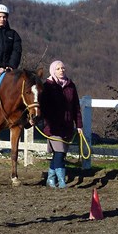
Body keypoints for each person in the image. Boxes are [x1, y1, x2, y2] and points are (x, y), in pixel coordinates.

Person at [39, 60, 83, 189]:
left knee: (61, 154)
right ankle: (61, 180)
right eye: (58, 69)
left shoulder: (71, 86)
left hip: (67, 126)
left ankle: (51, 178)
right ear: (53, 70)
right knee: (59, 152)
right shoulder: (47, 86)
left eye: (63, 68)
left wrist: (79, 125)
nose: (61, 70)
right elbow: (42, 106)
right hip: (53, 126)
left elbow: (76, 107)